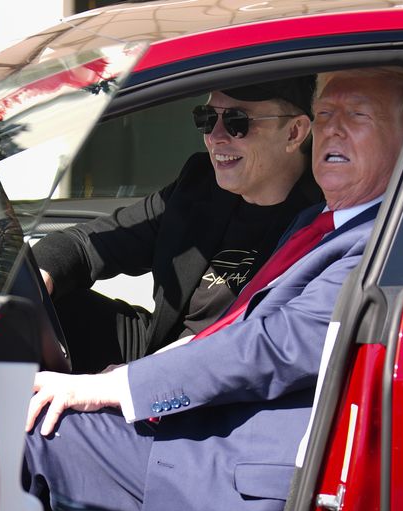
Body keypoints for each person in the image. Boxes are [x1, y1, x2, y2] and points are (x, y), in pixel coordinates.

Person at [22, 66, 403, 511]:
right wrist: (26, 279)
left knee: (18, 430)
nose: (333, 131)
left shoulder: (374, 241)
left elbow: (271, 346)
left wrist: (116, 387)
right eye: (328, 114)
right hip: (196, 401)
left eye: (356, 117)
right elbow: (109, 241)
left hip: (227, 451)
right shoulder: (321, 221)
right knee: (31, 378)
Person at [31, 77, 321, 373]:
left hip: (220, 378)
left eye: (237, 121)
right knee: (32, 311)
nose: (215, 136)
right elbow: (88, 244)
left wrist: (132, 381)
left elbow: (249, 345)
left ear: (294, 132)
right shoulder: (199, 185)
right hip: (156, 348)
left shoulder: (321, 221)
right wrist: (35, 281)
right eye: (207, 118)